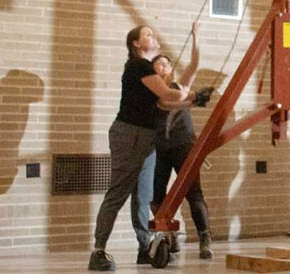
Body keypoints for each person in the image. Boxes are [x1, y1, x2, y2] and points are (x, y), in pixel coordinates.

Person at [89, 26, 190, 272]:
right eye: (147, 34)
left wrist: (192, 100)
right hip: (129, 134)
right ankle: (98, 251)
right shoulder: (138, 66)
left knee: (143, 198)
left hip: (145, 138)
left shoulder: (147, 70)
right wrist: (189, 93)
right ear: (135, 43)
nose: (153, 36)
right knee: (118, 193)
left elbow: (164, 103)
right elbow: (168, 93)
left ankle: (144, 248)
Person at [150, 23, 213, 260]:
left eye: (165, 62)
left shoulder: (180, 86)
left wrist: (196, 37)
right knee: (157, 197)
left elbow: (195, 63)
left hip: (183, 144)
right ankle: (169, 234)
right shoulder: (153, 92)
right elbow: (165, 104)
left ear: (170, 68)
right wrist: (192, 101)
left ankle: (205, 237)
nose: (162, 65)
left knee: (193, 192)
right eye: (157, 63)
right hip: (161, 147)